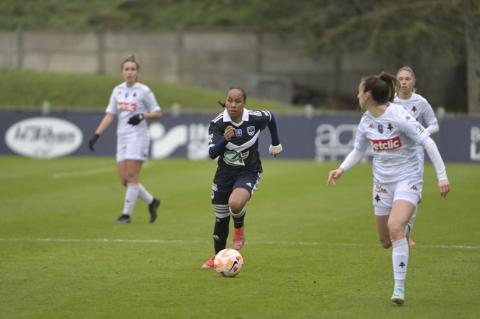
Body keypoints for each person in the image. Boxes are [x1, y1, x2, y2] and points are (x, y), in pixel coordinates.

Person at [327, 72, 450, 305]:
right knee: (385, 241)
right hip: (382, 183)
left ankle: (399, 289)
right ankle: (405, 225)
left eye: (359, 90)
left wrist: (442, 177)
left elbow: (428, 142)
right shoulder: (366, 120)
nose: (357, 95)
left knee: (395, 228)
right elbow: (358, 150)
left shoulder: (400, 116)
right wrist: (341, 169)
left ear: (369, 95)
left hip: (408, 178)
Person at [201, 86, 283, 269]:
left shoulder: (254, 118)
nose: (233, 104)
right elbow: (212, 153)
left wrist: (276, 143)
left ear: (244, 103)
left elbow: (270, 117)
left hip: (249, 171)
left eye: (238, 101)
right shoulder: (218, 123)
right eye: (230, 100)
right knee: (221, 217)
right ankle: (218, 258)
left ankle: (239, 228)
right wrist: (225, 139)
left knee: (235, 203)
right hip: (224, 174)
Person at [88, 56, 162, 224]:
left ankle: (126, 215)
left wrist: (142, 116)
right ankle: (152, 201)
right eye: (126, 69)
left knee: (131, 176)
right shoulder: (117, 90)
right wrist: (97, 134)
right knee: (124, 180)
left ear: (137, 72)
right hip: (122, 136)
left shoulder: (144, 90)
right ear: (122, 72)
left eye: (133, 69)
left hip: (138, 136)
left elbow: (158, 112)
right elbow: (110, 114)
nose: (129, 72)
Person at [394, 66, 439, 245]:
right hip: (394, 154)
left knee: (414, 194)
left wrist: (420, 134)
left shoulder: (421, 102)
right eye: (400, 79)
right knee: (393, 192)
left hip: (414, 154)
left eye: (407, 79)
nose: (403, 82)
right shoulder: (390, 102)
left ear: (413, 82)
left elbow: (434, 124)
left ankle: (406, 231)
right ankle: (396, 226)